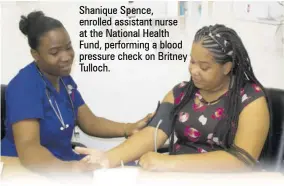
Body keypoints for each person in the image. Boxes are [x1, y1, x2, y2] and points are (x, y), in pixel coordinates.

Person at [75, 24, 271, 172]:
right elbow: (152, 133)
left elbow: (242, 160)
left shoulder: (251, 99)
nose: (194, 70)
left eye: (204, 66)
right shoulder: (182, 93)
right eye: (192, 61)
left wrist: (169, 162)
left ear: (227, 67)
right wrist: (108, 158)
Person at [0, 11, 152, 173]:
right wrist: (69, 170)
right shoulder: (24, 86)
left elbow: (90, 122)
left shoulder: (64, 80)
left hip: (64, 159)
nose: (66, 57)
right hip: (29, 168)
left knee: (129, 170)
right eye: (54, 52)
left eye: (68, 47)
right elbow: (30, 150)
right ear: (35, 55)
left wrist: (128, 128)